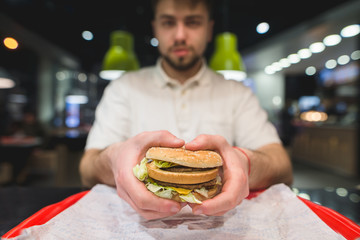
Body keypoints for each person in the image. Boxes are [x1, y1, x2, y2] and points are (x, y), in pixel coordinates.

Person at [79, 0, 293, 220]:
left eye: (193, 22)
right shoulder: (122, 88)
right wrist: (114, 158)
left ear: (209, 30)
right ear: (156, 29)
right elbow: (87, 168)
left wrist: (244, 162)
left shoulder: (237, 93)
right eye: (168, 22)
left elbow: (283, 167)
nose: (180, 35)